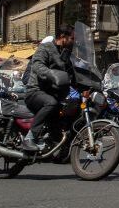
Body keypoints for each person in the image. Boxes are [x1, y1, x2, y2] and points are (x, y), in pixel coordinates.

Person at [21, 24, 77, 152]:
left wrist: (87, 85)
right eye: (72, 38)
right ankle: (30, 138)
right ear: (63, 37)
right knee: (51, 103)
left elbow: (72, 74)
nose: (73, 42)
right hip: (35, 91)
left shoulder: (65, 55)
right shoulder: (45, 48)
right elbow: (37, 65)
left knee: (67, 108)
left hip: (53, 94)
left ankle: (56, 145)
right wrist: (51, 74)